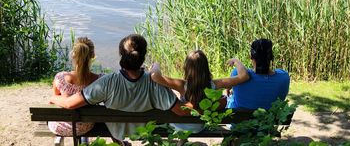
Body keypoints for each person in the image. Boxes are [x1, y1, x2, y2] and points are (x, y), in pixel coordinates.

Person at [49, 34, 192, 141]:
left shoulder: (107, 82)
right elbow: (181, 110)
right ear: (143, 56)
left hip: (117, 131)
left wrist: (53, 98)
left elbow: (69, 103)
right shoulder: (154, 84)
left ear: (121, 56)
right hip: (144, 131)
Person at [150, 49, 249, 133]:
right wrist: (236, 61)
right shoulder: (215, 84)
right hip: (199, 127)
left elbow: (155, 76)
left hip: (180, 126)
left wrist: (156, 65)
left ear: (186, 68)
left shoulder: (181, 85)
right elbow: (244, 76)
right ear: (206, 68)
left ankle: (182, 140)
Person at [48, 37, 101, 137]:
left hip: (60, 126)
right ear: (92, 56)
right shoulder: (99, 80)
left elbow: (56, 102)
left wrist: (54, 98)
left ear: (73, 55)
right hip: (86, 126)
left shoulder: (60, 78)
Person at [227, 39, 290, 110]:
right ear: (271, 57)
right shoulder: (284, 77)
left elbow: (228, 89)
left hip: (240, 120)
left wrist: (236, 61)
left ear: (251, 57)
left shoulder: (237, 73)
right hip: (270, 120)